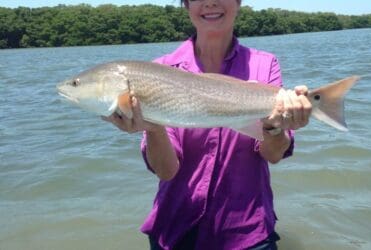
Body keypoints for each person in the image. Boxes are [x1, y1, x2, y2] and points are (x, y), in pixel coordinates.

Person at [104, 0, 312, 249]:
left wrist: (275, 128)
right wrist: (154, 126)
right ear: (186, 5)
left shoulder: (265, 64)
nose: (210, 2)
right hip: (176, 230)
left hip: (247, 232)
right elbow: (166, 171)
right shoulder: (158, 71)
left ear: (238, 3)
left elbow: (273, 154)